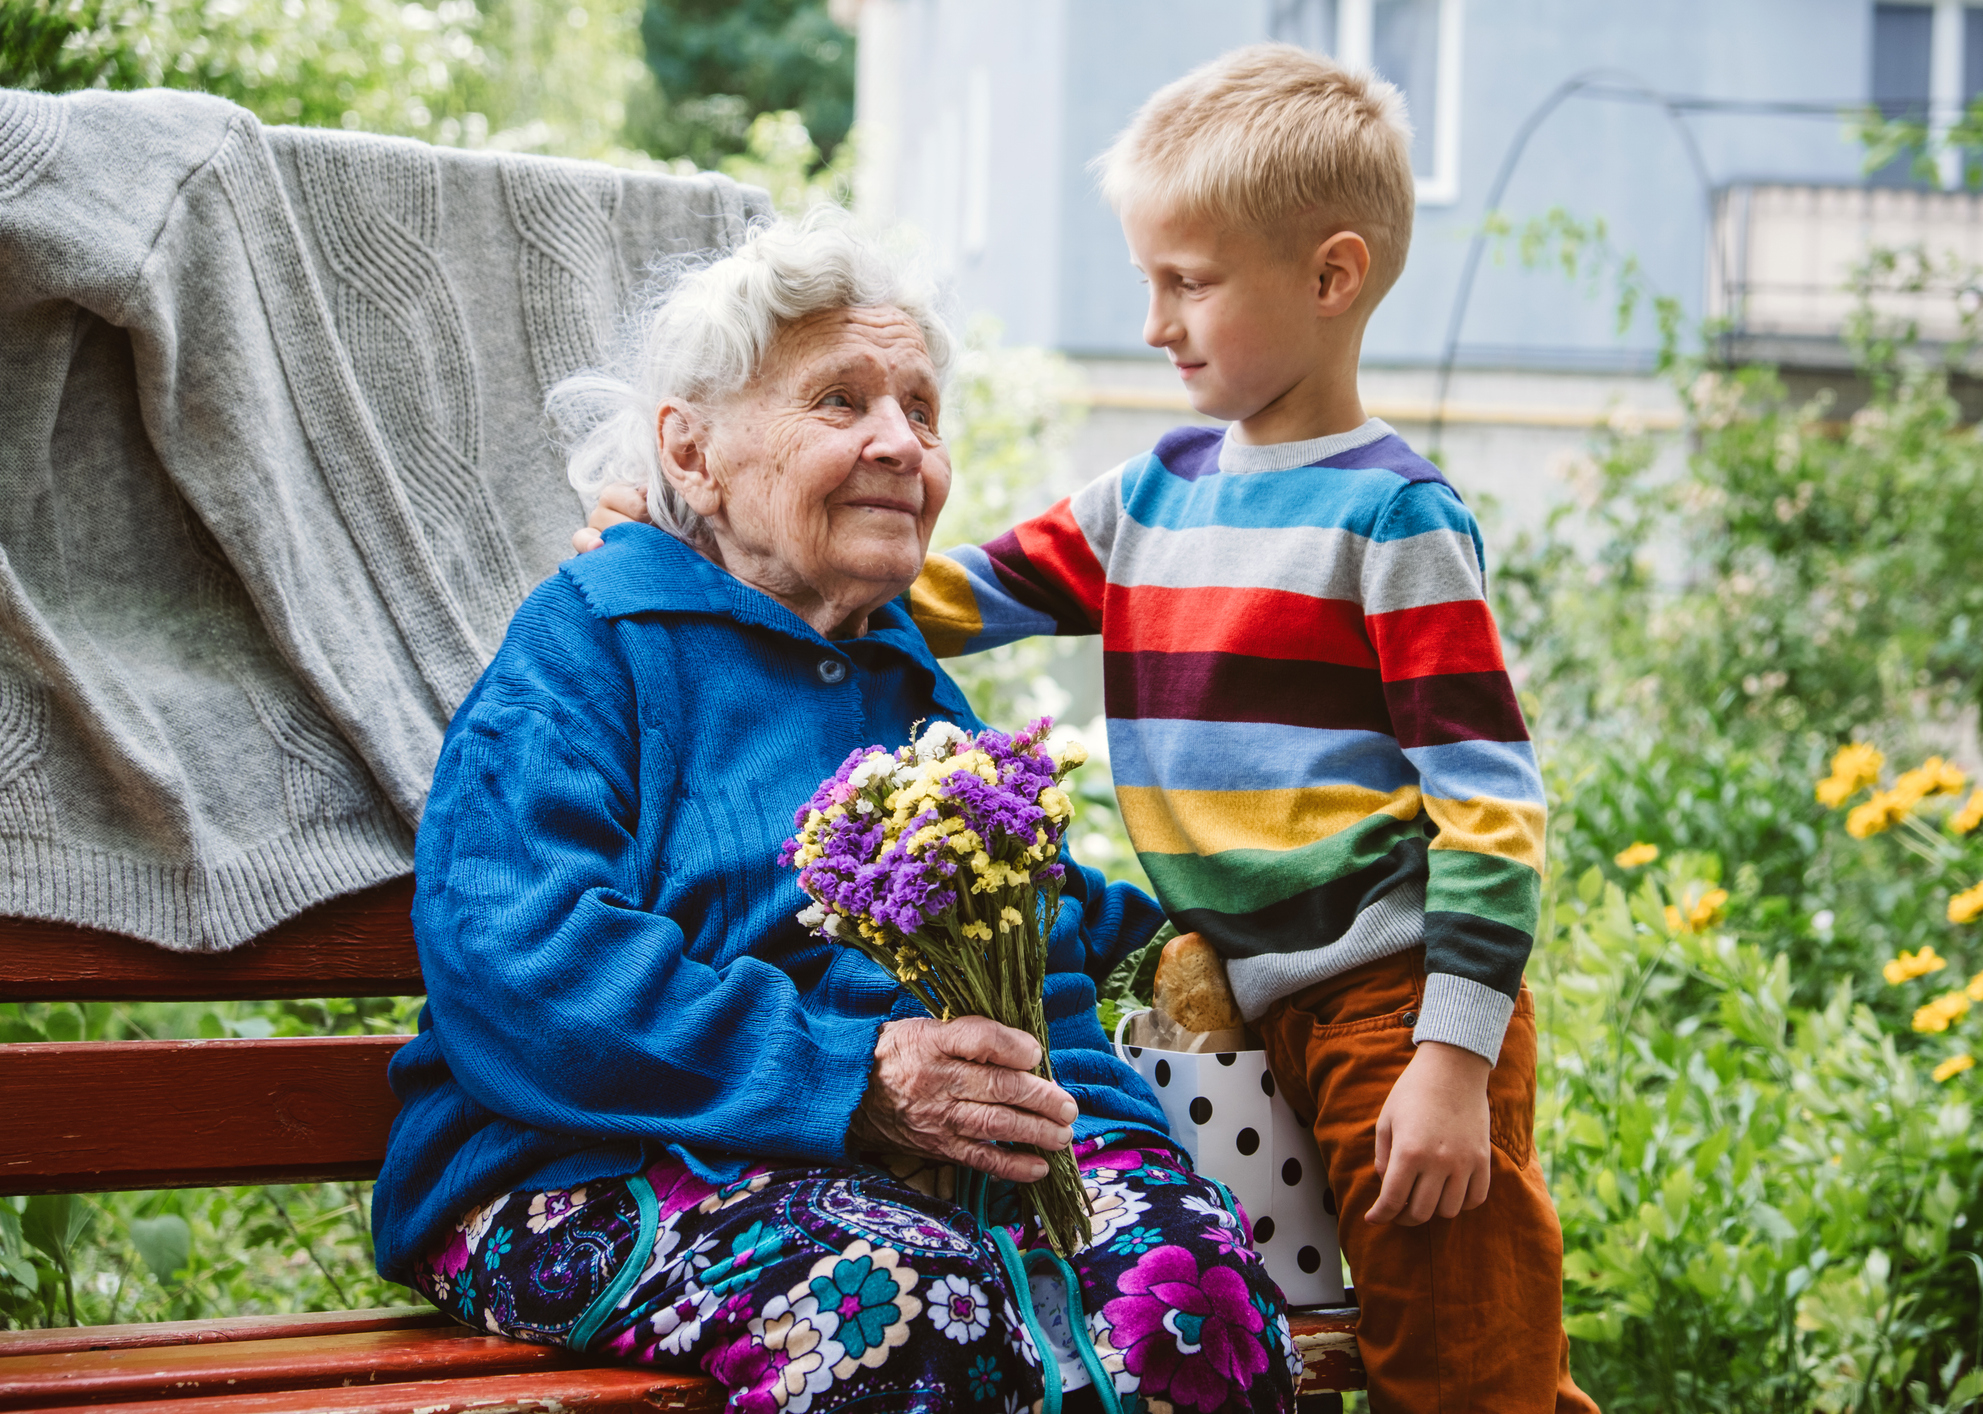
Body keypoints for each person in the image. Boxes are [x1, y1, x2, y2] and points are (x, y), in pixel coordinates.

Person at [581, 42, 1597, 1414]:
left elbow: (1489, 800)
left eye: (1191, 283)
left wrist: (1455, 1058)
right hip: (1232, 995)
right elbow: (934, 593)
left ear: (1330, 275)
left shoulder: (1394, 521)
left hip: (1388, 992)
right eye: (1148, 283)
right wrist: (710, 553)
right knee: (1283, 1326)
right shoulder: (1150, 494)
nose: (1158, 322)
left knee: (1460, 1350)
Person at [374, 210, 1302, 1414]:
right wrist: (848, 1074)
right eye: (840, 401)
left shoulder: (914, 685)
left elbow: (1047, 941)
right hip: (587, 1159)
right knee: (898, 1306)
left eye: (921, 409)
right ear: (694, 454)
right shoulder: (593, 645)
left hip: (922, 1167)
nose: (899, 443)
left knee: (1192, 1300)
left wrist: (1136, 1127)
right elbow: (520, 960)